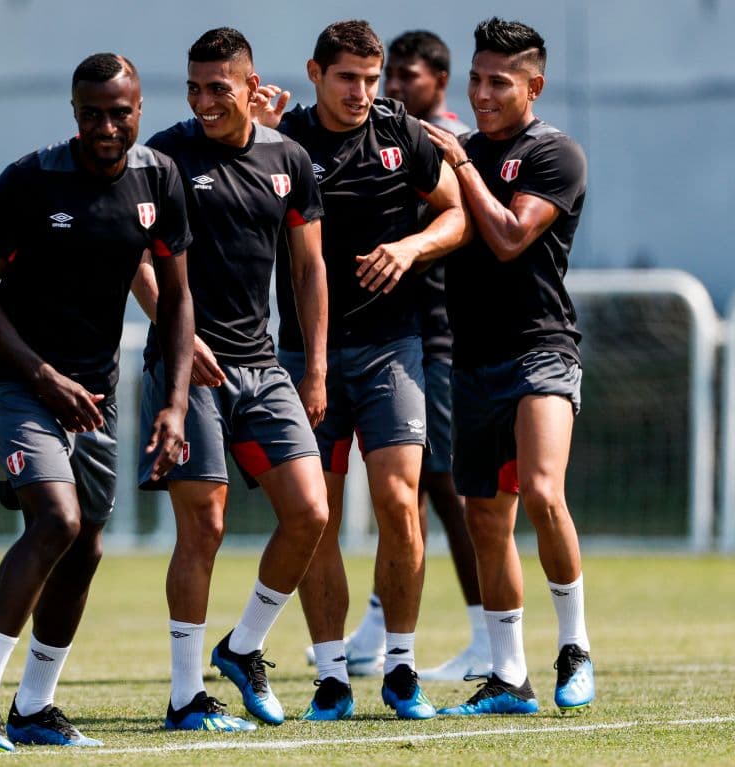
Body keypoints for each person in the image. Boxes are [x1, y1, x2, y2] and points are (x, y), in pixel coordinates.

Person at [0, 53, 194, 752]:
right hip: (19, 380)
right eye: (92, 113)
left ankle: (35, 708)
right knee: (55, 519)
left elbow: (175, 299)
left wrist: (174, 404)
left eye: (120, 112)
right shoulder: (30, 181)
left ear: (140, 110)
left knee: (86, 546)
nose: (106, 126)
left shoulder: (159, 178)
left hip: (99, 394)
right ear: (74, 112)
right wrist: (43, 373)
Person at [256, 20, 468, 720]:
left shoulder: (400, 133)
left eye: (372, 80)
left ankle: (402, 669)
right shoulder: (285, 140)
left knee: (400, 502)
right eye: (348, 77)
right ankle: (331, 675)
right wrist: (249, 137)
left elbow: (457, 216)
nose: (362, 92)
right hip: (303, 356)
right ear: (316, 73)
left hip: (391, 348)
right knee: (314, 517)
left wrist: (411, 248)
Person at [133, 27, 330, 732]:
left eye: (218, 88)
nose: (203, 101)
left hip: (264, 365)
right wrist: (181, 336)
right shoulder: (162, 157)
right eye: (194, 88)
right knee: (205, 524)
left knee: (311, 512)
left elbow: (309, 267)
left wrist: (315, 365)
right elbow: (139, 262)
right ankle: (186, 695)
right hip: (187, 370)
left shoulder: (291, 160)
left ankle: (243, 647)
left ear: (252, 87)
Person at [423, 17, 595, 715]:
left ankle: (576, 647)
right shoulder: (458, 150)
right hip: (471, 360)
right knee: (485, 520)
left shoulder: (556, 154)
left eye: (500, 81)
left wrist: (462, 166)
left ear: (534, 86)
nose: (484, 92)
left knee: (543, 490)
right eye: (477, 79)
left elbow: (509, 238)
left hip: (542, 349)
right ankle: (509, 676)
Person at [317, 29, 491, 683]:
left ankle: (482, 631)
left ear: (438, 81)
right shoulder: (325, 136)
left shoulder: (440, 140)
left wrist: (413, 246)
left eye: (398, 77)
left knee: (442, 487)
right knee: (402, 496)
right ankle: (372, 631)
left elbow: (468, 223)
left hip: (431, 338)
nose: (386, 90)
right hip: (356, 344)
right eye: (369, 78)